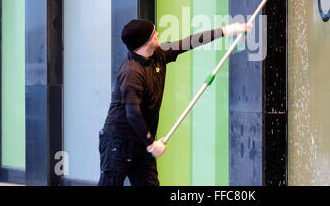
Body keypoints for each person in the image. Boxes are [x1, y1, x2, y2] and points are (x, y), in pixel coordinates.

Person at [98, 19, 248, 186]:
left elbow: (189, 42)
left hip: (141, 143)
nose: (158, 34)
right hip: (118, 142)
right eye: (154, 33)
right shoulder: (132, 73)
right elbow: (132, 113)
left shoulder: (159, 54)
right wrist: (151, 143)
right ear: (145, 41)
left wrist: (226, 30)